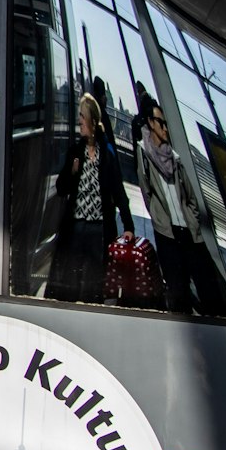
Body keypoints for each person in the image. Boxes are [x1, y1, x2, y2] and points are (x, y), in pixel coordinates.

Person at [133, 98, 226, 318]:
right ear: (150, 123)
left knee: (209, 292)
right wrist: (159, 219)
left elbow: (191, 198)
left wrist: (193, 220)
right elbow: (147, 192)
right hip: (167, 233)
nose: (165, 128)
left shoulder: (174, 157)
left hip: (189, 233)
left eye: (166, 124)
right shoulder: (144, 154)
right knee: (178, 293)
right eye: (160, 123)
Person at [49, 92, 135, 303]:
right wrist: (72, 171)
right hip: (76, 227)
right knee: (70, 282)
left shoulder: (107, 155)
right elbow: (61, 188)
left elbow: (118, 192)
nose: (79, 120)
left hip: (99, 230)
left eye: (82, 116)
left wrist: (129, 226)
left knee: (93, 284)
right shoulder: (75, 152)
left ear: (93, 121)